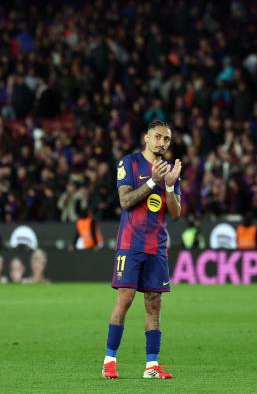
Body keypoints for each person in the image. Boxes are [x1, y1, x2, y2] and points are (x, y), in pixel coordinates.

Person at [102, 120, 181, 380]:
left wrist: (169, 186)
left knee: (154, 305)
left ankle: (152, 366)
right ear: (146, 137)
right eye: (157, 137)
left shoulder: (169, 170)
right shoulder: (129, 163)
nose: (162, 142)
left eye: (166, 139)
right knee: (125, 299)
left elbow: (176, 212)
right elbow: (125, 201)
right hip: (130, 244)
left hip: (156, 247)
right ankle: (109, 362)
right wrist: (151, 183)